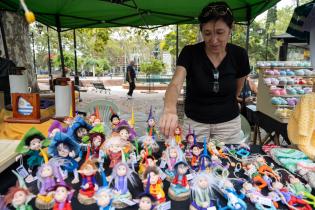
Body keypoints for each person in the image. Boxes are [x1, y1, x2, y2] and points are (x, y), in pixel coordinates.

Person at [159, 2, 250, 144]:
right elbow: (176, 84)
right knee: (192, 160)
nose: (214, 40)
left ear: (231, 29)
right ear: (201, 31)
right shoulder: (189, 53)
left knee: (229, 160)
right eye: (207, 33)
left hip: (229, 125)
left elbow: (237, 90)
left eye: (220, 32)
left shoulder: (240, 55)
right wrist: (170, 109)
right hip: (195, 124)